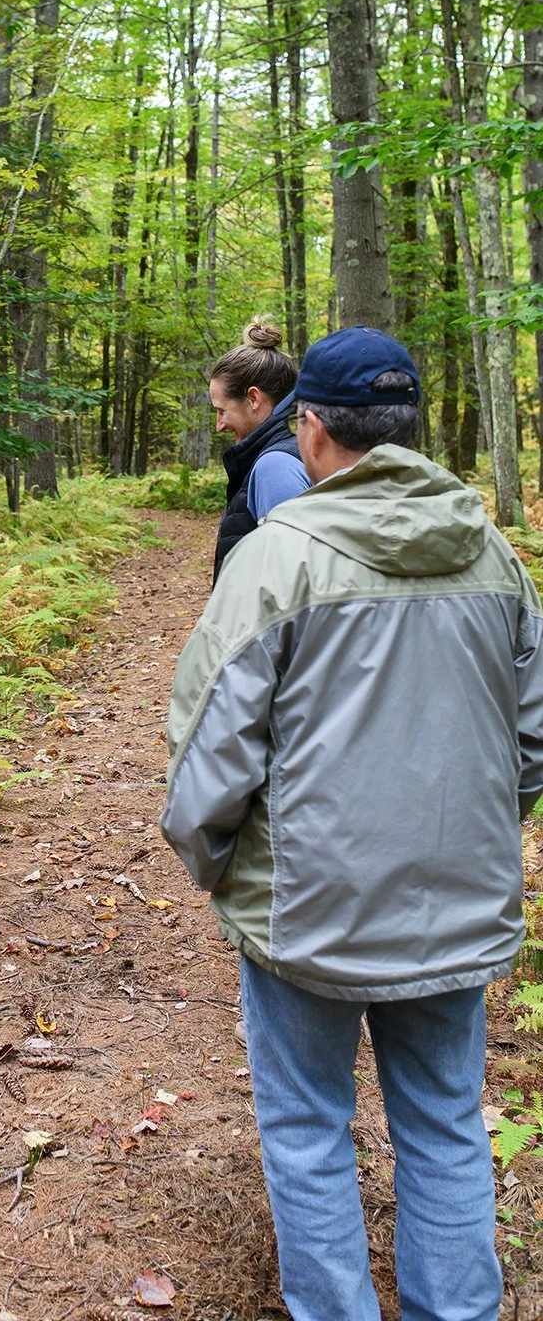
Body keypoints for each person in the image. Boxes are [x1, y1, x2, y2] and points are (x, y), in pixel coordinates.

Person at [160, 327, 543, 1321]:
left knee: (306, 1128)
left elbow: (210, 759)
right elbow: (533, 745)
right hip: (453, 907)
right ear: (411, 427)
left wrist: (221, 870)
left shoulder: (277, 562)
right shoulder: (495, 556)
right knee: (449, 1126)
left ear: (314, 427)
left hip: (307, 912)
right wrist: (472, 838)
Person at [208, 316, 309, 584]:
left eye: (222, 410)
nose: (219, 425)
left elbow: (292, 581)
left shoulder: (275, 467)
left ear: (253, 398)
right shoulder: (289, 448)